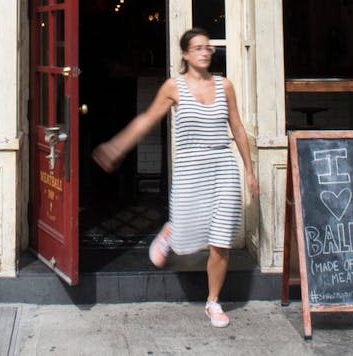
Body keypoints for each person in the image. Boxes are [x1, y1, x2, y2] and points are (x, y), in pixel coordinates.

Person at [92, 27, 259, 328]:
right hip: (191, 168)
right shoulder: (174, 87)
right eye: (197, 48)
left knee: (221, 238)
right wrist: (117, 146)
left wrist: (249, 170)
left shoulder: (225, 86)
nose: (205, 52)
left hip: (223, 165)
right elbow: (147, 119)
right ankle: (173, 230)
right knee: (186, 241)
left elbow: (237, 128)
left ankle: (213, 301)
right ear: (185, 54)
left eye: (207, 47)